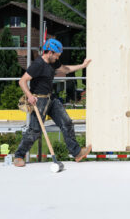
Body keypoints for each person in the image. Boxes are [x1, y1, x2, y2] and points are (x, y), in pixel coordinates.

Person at [14, 39, 92, 167]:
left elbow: (65, 69)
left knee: (66, 122)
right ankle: (18, 156)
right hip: (38, 100)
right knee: (34, 130)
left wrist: (82, 66)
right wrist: (29, 96)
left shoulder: (52, 62)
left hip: (51, 98)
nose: (57, 58)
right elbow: (22, 81)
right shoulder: (38, 64)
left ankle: (77, 153)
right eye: (57, 55)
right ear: (50, 52)